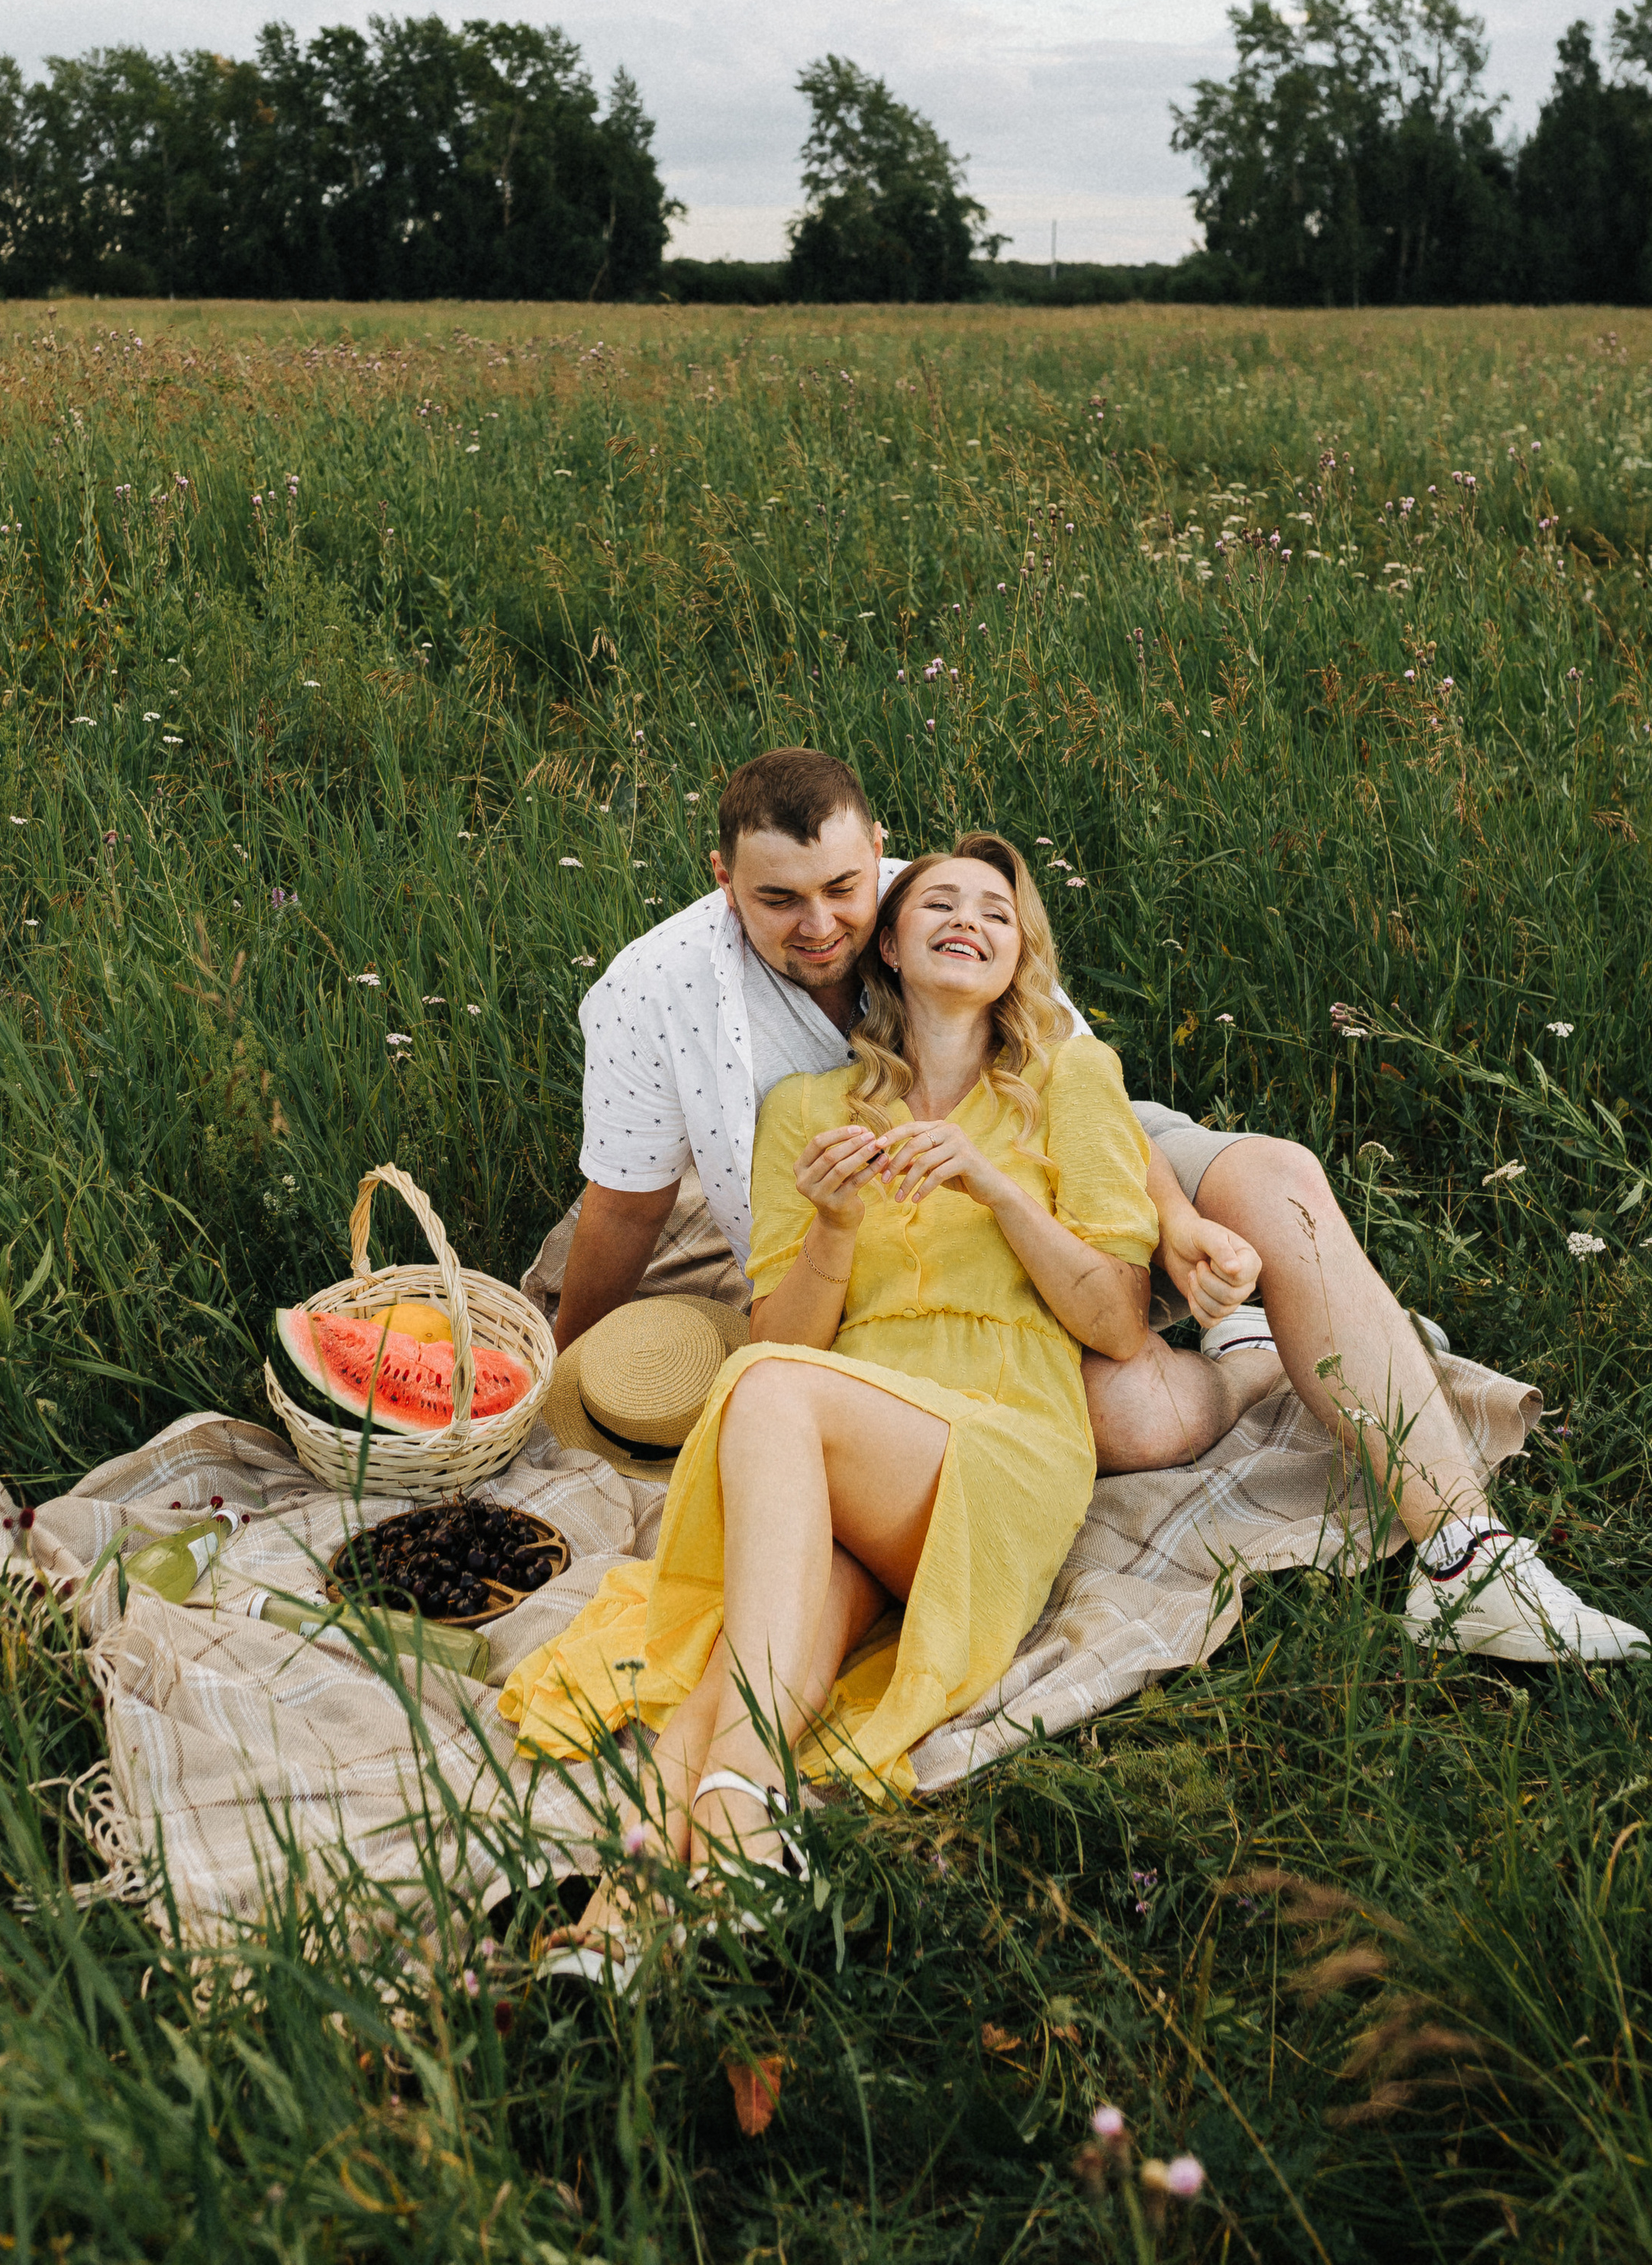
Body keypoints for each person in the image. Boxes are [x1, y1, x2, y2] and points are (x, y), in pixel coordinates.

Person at [535, 746, 1644, 1665]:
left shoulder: (940, 903)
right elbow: (627, 1208)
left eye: (843, 889)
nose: (823, 925)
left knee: (1276, 1180)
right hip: (919, 1273)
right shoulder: (652, 995)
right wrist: (560, 1370)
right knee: (1124, 1418)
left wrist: (1179, 1222)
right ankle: (1258, 1354)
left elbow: (1077, 1074)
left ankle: (1468, 1555)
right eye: (779, 900)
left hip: (1059, 1147)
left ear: (876, 852)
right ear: (721, 875)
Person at [505, 837, 1159, 1936]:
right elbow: (789, 1332)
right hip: (851, 1458)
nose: (969, 920)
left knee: (764, 1392)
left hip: (1001, 1448)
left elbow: (1118, 1322)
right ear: (888, 948)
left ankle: (727, 1826)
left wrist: (995, 1185)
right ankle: (634, 1914)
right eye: (939, 903)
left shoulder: (1070, 1082)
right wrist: (839, 1228)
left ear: (1018, 952)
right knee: (734, 1660)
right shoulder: (810, 1112)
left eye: (996, 912)